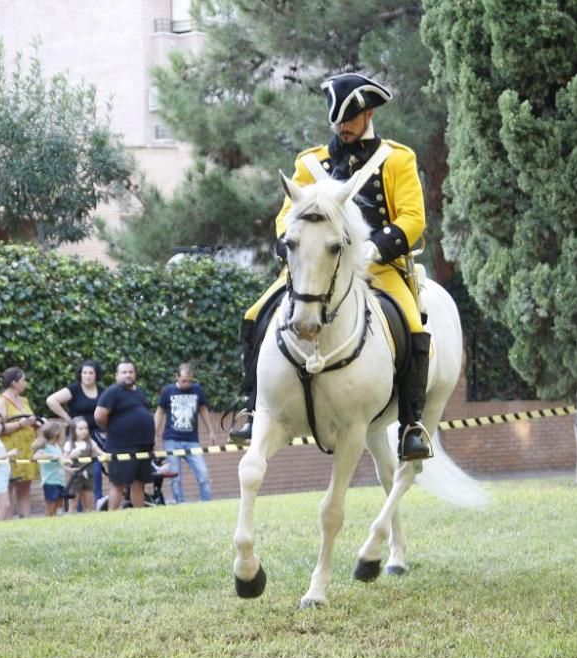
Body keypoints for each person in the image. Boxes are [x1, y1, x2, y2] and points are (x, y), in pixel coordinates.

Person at [231, 72, 434, 462]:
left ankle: (411, 425)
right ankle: (252, 406)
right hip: (316, 269)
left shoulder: (396, 159)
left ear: (369, 114)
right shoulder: (310, 164)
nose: (343, 128)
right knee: (255, 314)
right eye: (337, 122)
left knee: (411, 324)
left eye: (350, 120)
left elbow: (413, 217)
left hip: (379, 268)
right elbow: (287, 214)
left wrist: (376, 248)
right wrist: (289, 242)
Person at [94, 361, 156, 510]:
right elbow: (99, 416)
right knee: (117, 484)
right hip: (121, 447)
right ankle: (113, 518)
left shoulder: (139, 392)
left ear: (135, 374)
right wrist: (114, 428)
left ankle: (139, 517)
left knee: (139, 483)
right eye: (124, 372)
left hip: (143, 446)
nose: (128, 375)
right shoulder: (112, 391)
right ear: (117, 376)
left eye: (130, 372)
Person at [154, 363, 216, 503]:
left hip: (191, 440)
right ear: (177, 377)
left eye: (189, 381)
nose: (187, 384)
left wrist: (211, 431)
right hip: (171, 440)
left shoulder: (197, 390)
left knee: (203, 474)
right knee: (175, 478)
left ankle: (206, 503)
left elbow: (203, 410)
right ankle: (180, 504)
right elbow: (159, 413)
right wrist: (154, 434)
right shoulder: (168, 391)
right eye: (183, 381)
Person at [46, 360, 105, 502]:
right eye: (84, 373)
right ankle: (77, 508)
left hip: (95, 436)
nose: (88, 376)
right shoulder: (74, 389)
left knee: (96, 471)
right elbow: (51, 400)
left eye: (91, 373)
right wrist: (68, 419)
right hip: (77, 438)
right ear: (80, 374)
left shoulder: (102, 391)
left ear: (96, 375)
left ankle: (96, 502)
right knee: (79, 472)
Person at [0, 367, 40, 518]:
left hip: (26, 449)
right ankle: (7, 521)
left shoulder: (24, 400)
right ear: (14, 383)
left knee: (25, 486)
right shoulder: (1, 402)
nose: (25, 383)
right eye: (23, 380)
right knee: (9, 486)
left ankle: (25, 521)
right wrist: (21, 424)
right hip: (10, 450)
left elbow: (29, 421)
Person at [63, 416, 106, 512]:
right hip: (76, 478)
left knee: (88, 504)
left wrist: (109, 456)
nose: (84, 431)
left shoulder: (91, 442)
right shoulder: (69, 444)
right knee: (73, 505)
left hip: (89, 477)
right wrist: (71, 456)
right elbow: (63, 461)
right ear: (74, 430)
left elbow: (102, 453)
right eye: (80, 429)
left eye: (86, 428)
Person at [32, 419, 67, 517]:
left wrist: (70, 469)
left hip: (60, 481)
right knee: (51, 505)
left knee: (59, 505)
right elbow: (36, 457)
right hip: (50, 481)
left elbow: (60, 463)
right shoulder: (45, 446)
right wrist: (51, 456)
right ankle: (48, 521)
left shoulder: (57, 447)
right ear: (56, 434)